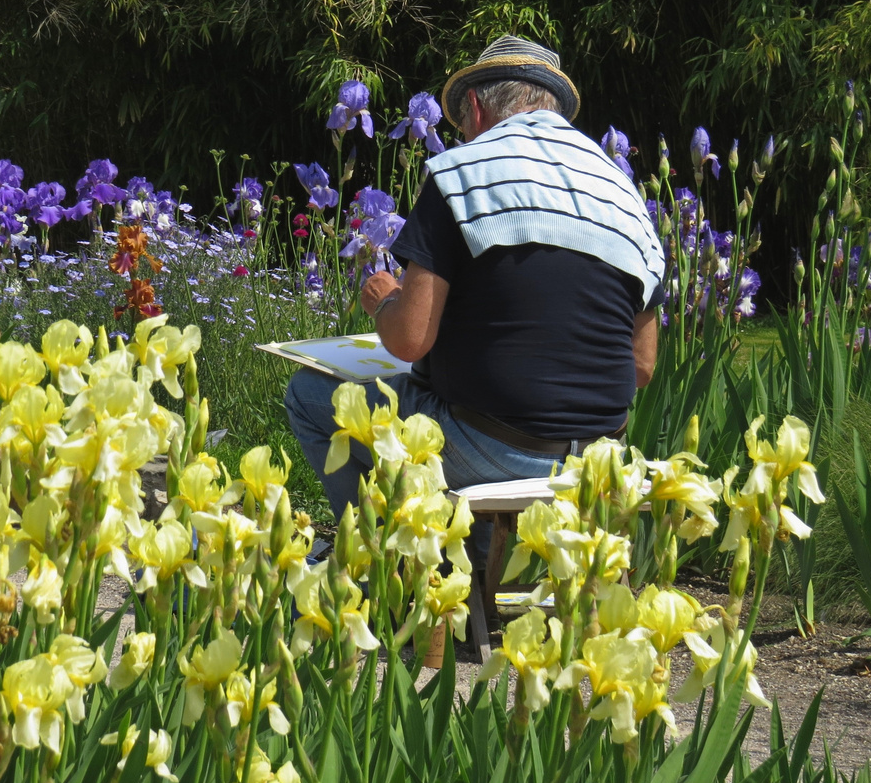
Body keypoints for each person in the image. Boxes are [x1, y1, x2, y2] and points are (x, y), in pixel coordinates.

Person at [284, 34, 665, 564]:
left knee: (308, 394)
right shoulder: (625, 196)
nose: (461, 134)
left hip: (486, 446)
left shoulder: (464, 171)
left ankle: (375, 565)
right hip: (599, 458)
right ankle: (483, 560)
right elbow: (642, 366)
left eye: (461, 122)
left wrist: (384, 300)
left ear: (479, 108)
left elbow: (409, 339)